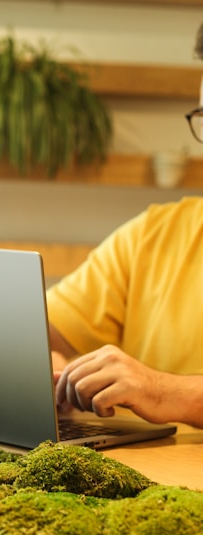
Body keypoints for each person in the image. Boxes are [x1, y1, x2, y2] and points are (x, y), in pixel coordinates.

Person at [47, 23, 203, 429]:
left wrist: (164, 391)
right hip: (147, 485)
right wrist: (51, 367)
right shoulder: (156, 232)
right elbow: (42, 332)